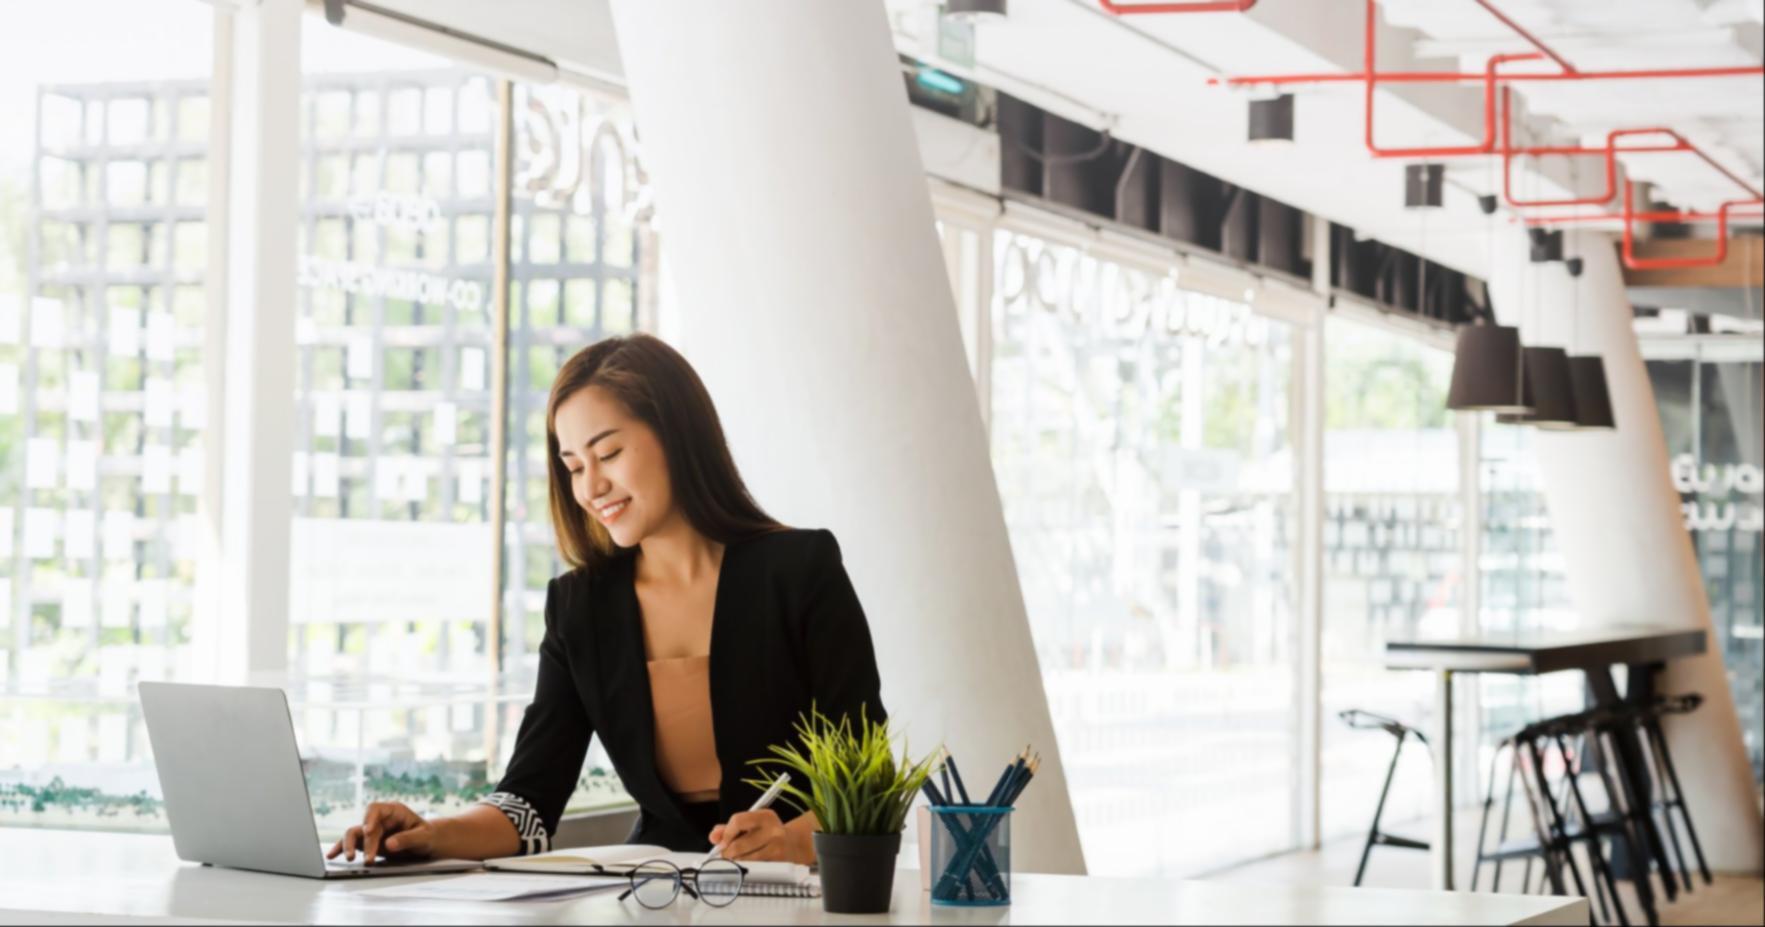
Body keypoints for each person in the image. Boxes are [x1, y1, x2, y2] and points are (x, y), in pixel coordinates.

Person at [327, 333, 885, 866]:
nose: (590, 487)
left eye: (609, 453)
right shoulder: (580, 607)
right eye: (573, 466)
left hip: (804, 898)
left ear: (676, 434)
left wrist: (793, 839)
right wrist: (430, 833)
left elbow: (871, 777)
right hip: (657, 896)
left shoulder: (797, 570)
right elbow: (529, 804)